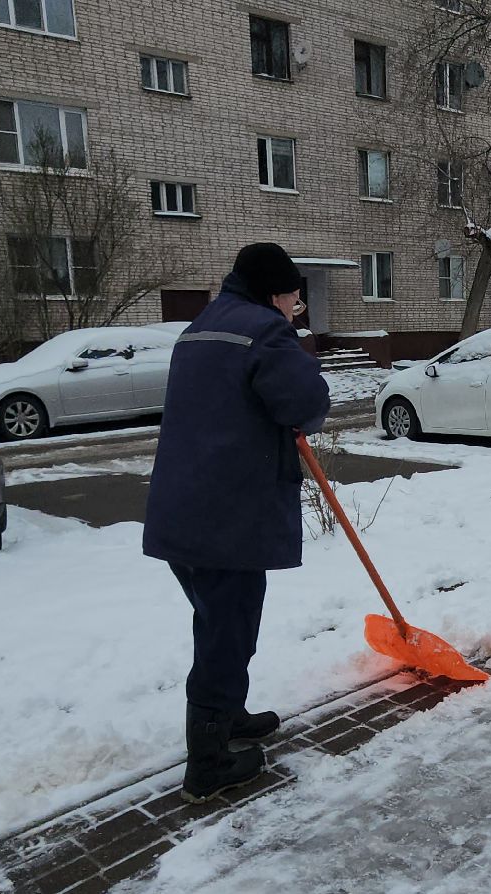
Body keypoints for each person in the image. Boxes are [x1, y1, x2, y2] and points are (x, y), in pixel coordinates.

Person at [144, 243, 332, 802]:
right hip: (228, 514)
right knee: (227, 632)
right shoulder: (266, 331)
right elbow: (306, 405)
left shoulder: (201, 326)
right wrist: (294, 343)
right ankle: (208, 761)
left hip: (184, 508)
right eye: (296, 298)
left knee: (218, 620)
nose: (296, 307)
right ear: (276, 292)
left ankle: (228, 716)